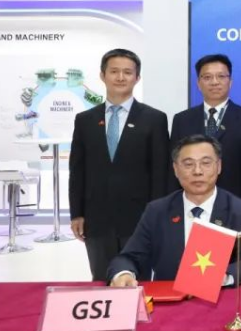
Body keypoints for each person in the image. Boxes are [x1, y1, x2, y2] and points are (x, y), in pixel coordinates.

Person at [69, 49, 170, 282]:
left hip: (140, 219)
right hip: (97, 219)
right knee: (101, 279)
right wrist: (77, 213)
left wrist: (157, 217)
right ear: (102, 75)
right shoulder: (85, 120)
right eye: (114, 71)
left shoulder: (154, 119)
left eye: (127, 72)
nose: (121, 77)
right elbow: (78, 171)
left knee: (138, 282)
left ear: (137, 77)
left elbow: (161, 172)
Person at [107, 135, 241, 286]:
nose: (197, 171)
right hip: (170, 297)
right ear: (176, 169)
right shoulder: (157, 211)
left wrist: (224, 276)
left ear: (218, 167)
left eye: (206, 163)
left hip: (221, 296)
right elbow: (129, 257)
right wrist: (123, 273)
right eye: (188, 164)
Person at [169, 54, 241, 199]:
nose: (214, 82)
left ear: (230, 82)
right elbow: (174, 165)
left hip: (235, 202)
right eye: (207, 77)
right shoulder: (182, 120)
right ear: (198, 83)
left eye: (221, 76)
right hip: (191, 200)